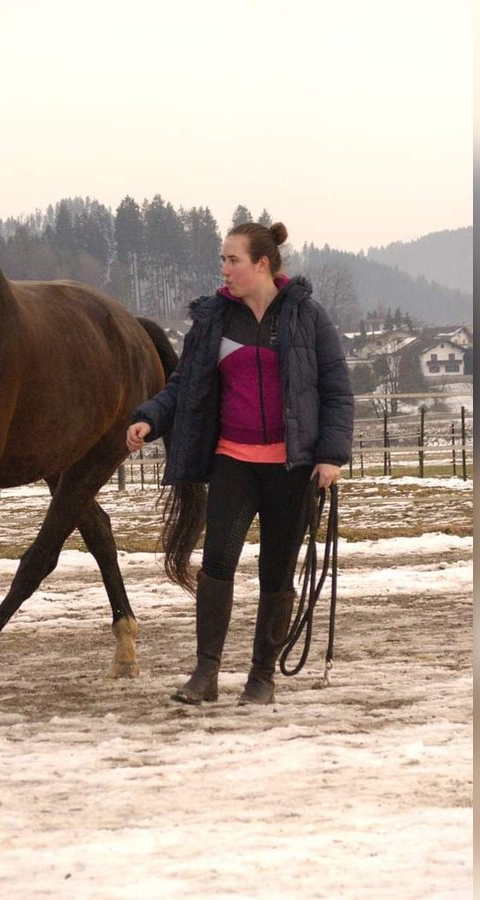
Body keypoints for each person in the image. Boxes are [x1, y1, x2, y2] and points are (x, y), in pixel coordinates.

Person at [126, 221, 354, 705]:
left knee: (276, 573)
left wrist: (331, 456)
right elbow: (183, 385)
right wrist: (150, 419)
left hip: (293, 469)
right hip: (234, 461)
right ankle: (204, 674)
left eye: (233, 260)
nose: (224, 270)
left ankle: (261, 677)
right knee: (217, 564)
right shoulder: (214, 321)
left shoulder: (307, 317)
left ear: (262, 264)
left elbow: (336, 391)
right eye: (223, 260)